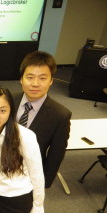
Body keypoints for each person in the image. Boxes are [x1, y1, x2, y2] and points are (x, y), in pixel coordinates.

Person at [0, 86, 45, 213]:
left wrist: (38, 207)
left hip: (16, 199)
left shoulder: (25, 137)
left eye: (2, 110)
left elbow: (37, 175)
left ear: (10, 111)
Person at [13, 51, 72, 188]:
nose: (35, 84)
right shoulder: (8, 101)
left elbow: (55, 155)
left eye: (42, 78)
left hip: (30, 175)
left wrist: (43, 184)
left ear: (51, 80)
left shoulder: (60, 115)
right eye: (30, 77)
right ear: (21, 79)